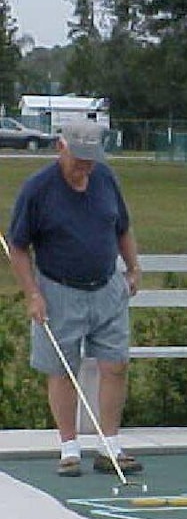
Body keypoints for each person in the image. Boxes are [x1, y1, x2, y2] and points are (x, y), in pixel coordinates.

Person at [7, 121, 143, 478]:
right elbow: (18, 247)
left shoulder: (105, 179)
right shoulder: (38, 189)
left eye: (91, 160)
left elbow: (122, 227)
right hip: (58, 289)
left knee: (115, 364)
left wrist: (133, 268)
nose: (86, 167)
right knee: (63, 369)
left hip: (107, 287)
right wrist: (33, 294)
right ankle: (69, 448)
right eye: (80, 159)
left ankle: (109, 445)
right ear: (60, 148)